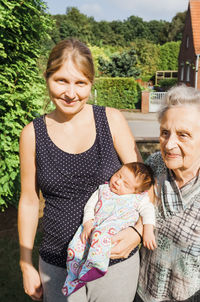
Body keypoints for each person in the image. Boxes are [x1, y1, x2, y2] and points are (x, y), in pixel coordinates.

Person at [18, 38, 143, 302]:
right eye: (61, 80)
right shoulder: (32, 134)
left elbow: (143, 182)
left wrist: (138, 232)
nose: (70, 93)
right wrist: (25, 262)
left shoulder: (111, 120)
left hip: (112, 261)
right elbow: (29, 200)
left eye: (80, 83)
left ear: (91, 83)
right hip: (57, 264)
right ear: (47, 77)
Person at [134, 85, 200, 302]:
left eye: (183, 135)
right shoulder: (153, 166)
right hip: (142, 292)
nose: (169, 144)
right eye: (164, 133)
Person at [63, 162, 156, 297]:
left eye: (126, 184)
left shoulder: (138, 199)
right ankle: (73, 278)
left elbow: (149, 211)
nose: (118, 182)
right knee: (74, 248)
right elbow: (89, 207)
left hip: (115, 230)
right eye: (118, 175)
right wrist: (88, 223)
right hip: (94, 227)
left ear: (137, 191)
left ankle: (96, 267)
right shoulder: (103, 190)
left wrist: (147, 231)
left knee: (100, 238)